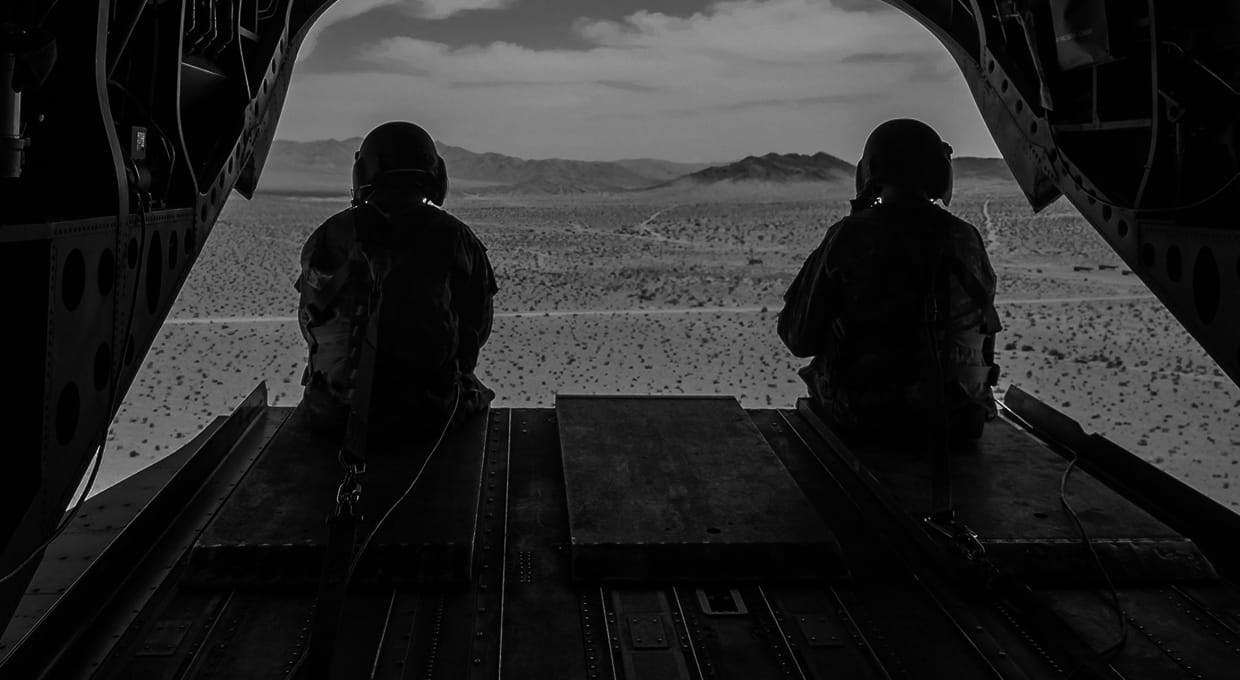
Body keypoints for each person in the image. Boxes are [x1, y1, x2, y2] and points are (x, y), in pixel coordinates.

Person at [778, 119, 1001, 444]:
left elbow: (798, 337)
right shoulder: (966, 238)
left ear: (869, 172)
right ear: (939, 174)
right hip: (958, 418)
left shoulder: (851, 236)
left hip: (870, 420)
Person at [295, 122, 497, 441]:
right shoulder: (455, 237)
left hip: (331, 415)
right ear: (436, 175)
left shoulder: (327, 236)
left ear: (363, 174)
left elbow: (309, 325)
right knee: (474, 393)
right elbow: (477, 328)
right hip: (428, 418)